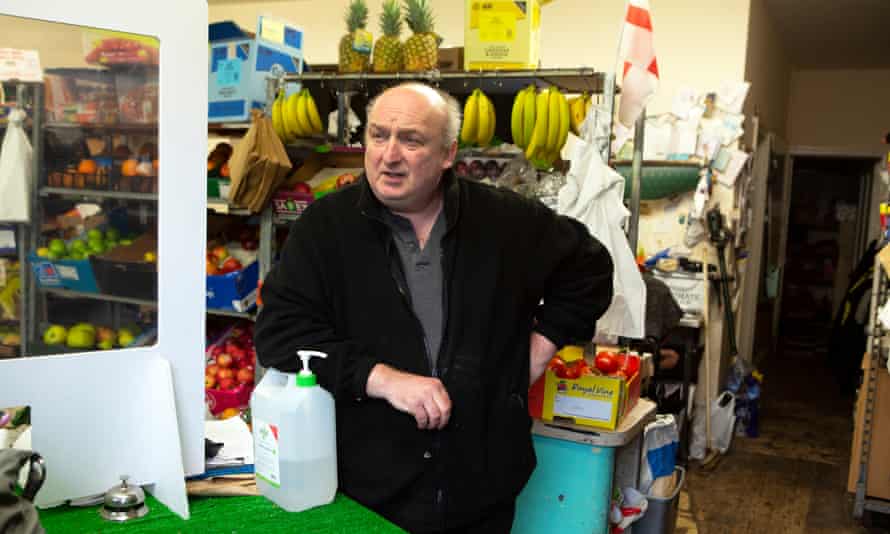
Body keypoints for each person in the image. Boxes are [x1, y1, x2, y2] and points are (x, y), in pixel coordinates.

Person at [255, 82, 614, 533]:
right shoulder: (325, 229)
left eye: (411, 139)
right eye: (378, 135)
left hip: (482, 485)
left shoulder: (505, 221)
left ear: (447, 154)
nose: (389, 155)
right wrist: (380, 378)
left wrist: (536, 353)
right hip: (365, 488)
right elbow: (279, 334)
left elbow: (591, 268)